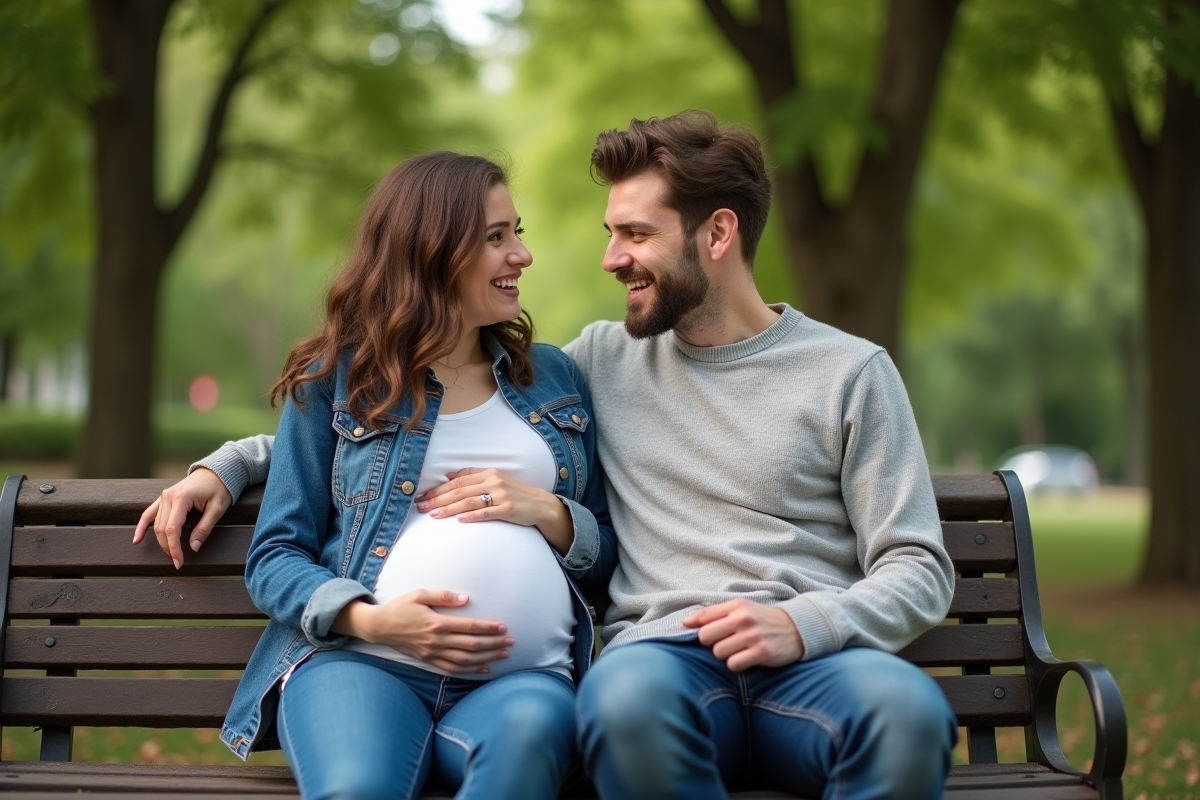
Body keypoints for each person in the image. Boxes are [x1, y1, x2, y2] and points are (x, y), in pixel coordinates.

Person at [139, 111, 957, 800]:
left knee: (911, 715)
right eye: (610, 234)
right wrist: (228, 464)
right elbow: (391, 417)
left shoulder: (849, 372)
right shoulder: (603, 360)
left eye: (635, 234)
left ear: (717, 233)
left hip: (811, 661)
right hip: (660, 660)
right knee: (623, 706)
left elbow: (919, 564)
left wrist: (804, 621)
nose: (609, 259)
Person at [135, 152, 616, 800]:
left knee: (528, 743)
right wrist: (370, 619)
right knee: (359, 787)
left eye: (517, 232)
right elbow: (276, 554)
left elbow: (608, 551)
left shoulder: (554, 377)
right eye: (496, 238)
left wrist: (549, 512)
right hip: (362, 665)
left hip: (521, 683)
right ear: (432, 252)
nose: (521, 255)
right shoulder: (338, 380)